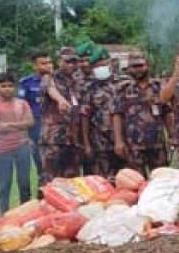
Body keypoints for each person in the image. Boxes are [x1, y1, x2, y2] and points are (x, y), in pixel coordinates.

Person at [112, 51, 170, 176]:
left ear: (147, 65)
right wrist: (118, 141)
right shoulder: (123, 88)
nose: (138, 70)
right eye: (134, 66)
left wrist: (171, 136)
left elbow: (167, 112)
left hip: (157, 143)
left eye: (140, 65)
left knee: (161, 179)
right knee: (136, 181)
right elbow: (117, 114)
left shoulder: (158, 86)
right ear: (128, 68)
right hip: (133, 145)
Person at [0, 74, 34, 212]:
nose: (7, 89)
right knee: (5, 184)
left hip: (22, 146)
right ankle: (4, 214)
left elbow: (30, 122)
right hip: (4, 149)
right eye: (3, 86)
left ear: (15, 87)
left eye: (10, 86)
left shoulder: (22, 103)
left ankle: (26, 212)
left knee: (24, 182)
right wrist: (20, 125)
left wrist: (8, 125)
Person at [37, 47, 82, 186]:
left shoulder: (76, 82)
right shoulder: (50, 77)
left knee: (71, 180)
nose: (71, 65)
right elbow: (50, 89)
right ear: (59, 61)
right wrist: (60, 100)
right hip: (53, 138)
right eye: (67, 62)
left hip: (72, 139)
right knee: (49, 179)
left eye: (74, 62)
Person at [81, 46, 122, 176]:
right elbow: (85, 116)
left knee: (126, 178)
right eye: (97, 66)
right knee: (103, 180)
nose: (101, 68)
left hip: (124, 140)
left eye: (104, 64)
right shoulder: (89, 88)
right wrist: (87, 144)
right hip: (100, 143)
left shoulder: (123, 83)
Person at [16, 51, 52, 174]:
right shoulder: (26, 83)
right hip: (36, 126)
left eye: (49, 62)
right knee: (40, 163)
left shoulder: (58, 81)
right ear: (34, 65)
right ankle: (41, 190)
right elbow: (21, 107)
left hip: (55, 127)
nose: (47, 66)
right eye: (43, 63)